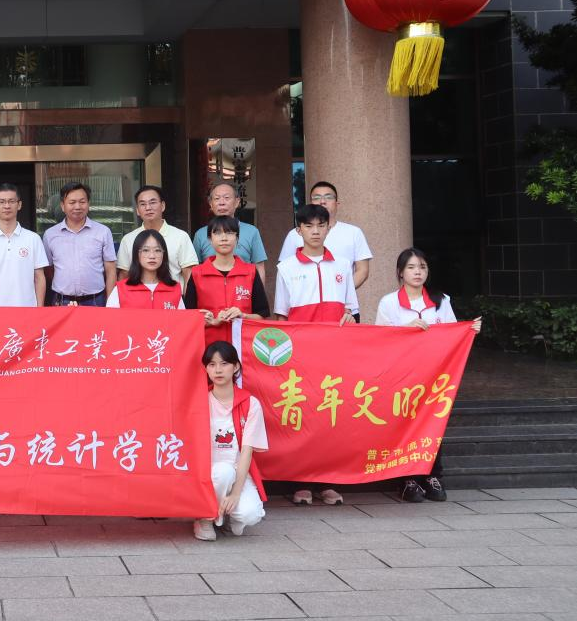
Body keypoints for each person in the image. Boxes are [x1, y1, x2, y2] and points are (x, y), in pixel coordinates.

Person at [376, 247, 482, 504]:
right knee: (404, 423)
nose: (417, 272)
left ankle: (433, 476)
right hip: (402, 376)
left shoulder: (441, 300)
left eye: (422, 267)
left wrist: (469, 329)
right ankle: (407, 478)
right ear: (400, 273)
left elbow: (452, 333)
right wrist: (406, 329)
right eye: (411, 267)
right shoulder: (389, 302)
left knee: (433, 424)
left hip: (435, 375)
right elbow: (380, 339)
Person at [274, 203, 357, 508]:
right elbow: (281, 317)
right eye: (308, 226)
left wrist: (348, 317)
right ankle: (301, 482)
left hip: (334, 355)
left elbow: (351, 310)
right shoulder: (286, 268)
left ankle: (328, 482)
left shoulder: (342, 265)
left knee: (331, 416)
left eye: (321, 225)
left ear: (328, 228)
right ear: (299, 231)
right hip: (301, 357)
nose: (315, 231)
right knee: (303, 415)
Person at [194, 341, 267, 541]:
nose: (218, 370)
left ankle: (227, 514)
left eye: (224, 363)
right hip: (209, 472)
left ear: (236, 367)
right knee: (223, 472)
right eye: (212, 364)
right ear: (206, 369)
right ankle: (205, 518)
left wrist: (235, 493)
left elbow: (247, 452)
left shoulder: (250, 404)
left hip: (238, 472)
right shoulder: (200, 401)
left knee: (250, 514)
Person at [184, 216, 270, 344]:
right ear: (210, 239)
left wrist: (243, 316)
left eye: (229, 233)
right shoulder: (197, 273)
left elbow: (262, 315)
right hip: (208, 346)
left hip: (243, 345)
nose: (224, 238)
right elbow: (187, 318)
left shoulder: (250, 272)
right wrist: (212, 322)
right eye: (218, 233)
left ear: (237, 239)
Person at [278, 181, 372, 293]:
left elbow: (362, 270)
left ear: (337, 203)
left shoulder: (353, 232)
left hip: (343, 302)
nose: (322, 201)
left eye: (328, 197)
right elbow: (285, 270)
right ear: (310, 203)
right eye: (317, 197)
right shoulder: (294, 234)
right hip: (305, 301)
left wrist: (341, 292)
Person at [0, 183, 49, 308]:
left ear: (19, 205)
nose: (7, 206)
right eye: (2, 202)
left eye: (11, 201)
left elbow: (39, 278)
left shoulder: (33, 239)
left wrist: (39, 310)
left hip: (26, 310)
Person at [43, 182, 117, 307]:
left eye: (82, 202)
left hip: (95, 301)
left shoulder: (103, 232)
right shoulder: (50, 235)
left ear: (88, 204)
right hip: (62, 301)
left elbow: (110, 270)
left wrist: (110, 303)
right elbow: (48, 270)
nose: (77, 206)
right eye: (72, 202)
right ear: (62, 206)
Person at [116, 185, 198, 286]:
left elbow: (188, 273)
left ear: (163, 206)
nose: (148, 208)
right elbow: (124, 275)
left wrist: (186, 296)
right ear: (137, 210)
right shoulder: (128, 239)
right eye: (143, 204)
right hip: (138, 295)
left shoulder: (181, 237)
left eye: (153, 202)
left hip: (173, 294)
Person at [192, 183, 268, 281]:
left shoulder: (252, 232)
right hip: (210, 289)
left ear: (237, 202)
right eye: (217, 198)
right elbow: (195, 269)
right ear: (211, 204)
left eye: (226, 198)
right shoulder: (200, 234)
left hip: (242, 289)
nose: (221, 202)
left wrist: (259, 290)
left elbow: (259, 267)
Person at [107, 230, 185, 309]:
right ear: (136, 254)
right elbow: (110, 316)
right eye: (146, 250)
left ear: (163, 254)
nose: (152, 256)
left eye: (157, 250)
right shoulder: (120, 289)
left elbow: (182, 317)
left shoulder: (175, 289)